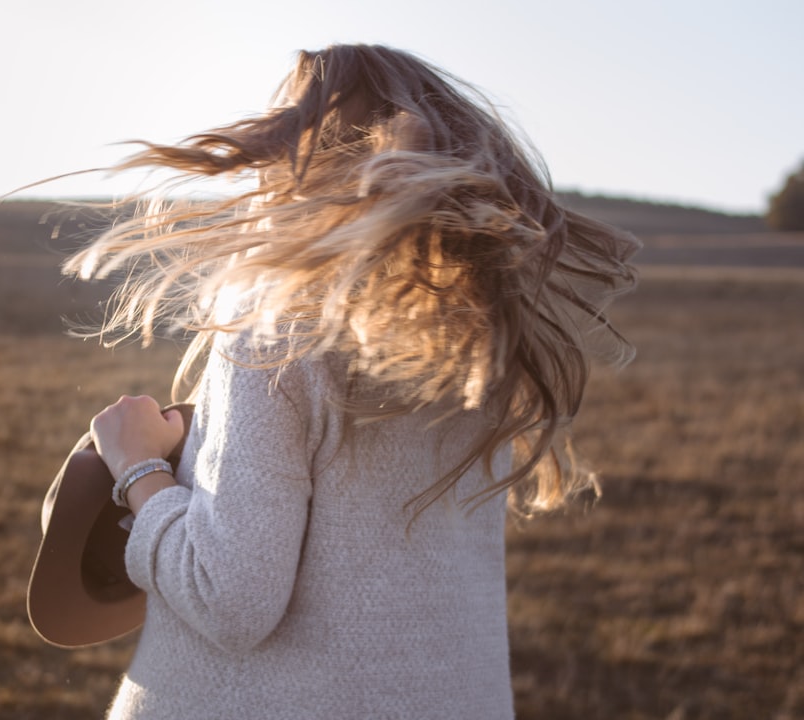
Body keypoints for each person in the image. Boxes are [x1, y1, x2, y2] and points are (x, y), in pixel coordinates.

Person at [73, 44, 638, 719]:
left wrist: (139, 469)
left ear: (306, 153)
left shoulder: (278, 327)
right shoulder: (475, 350)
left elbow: (230, 598)